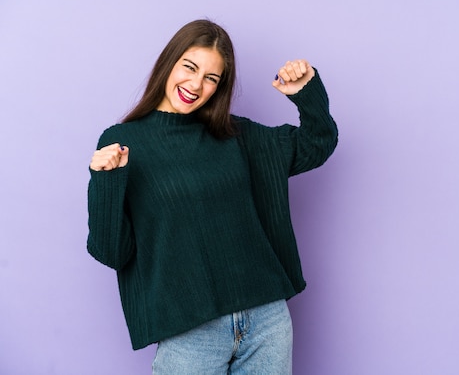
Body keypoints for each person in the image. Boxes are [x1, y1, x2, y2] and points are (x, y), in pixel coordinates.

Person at [86, 19, 338, 374]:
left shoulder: (236, 135)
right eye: (190, 67)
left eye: (211, 78)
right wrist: (104, 182)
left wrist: (306, 92)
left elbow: (316, 145)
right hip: (190, 331)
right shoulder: (125, 142)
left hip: (267, 321)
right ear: (169, 63)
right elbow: (111, 251)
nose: (195, 84)